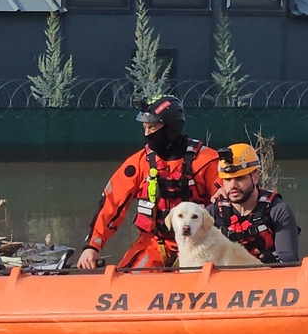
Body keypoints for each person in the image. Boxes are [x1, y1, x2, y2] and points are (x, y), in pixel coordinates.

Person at [76, 96, 221, 270]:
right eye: (144, 128)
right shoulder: (139, 163)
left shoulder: (206, 161)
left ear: (171, 128)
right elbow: (111, 205)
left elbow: (226, 206)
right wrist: (92, 246)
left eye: (152, 128)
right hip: (155, 244)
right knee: (126, 284)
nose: (147, 134)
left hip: (200, 243)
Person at [213, 143, 300, 264]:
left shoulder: (277, 210)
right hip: (226, 278)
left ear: (255, 177)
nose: (233, 185)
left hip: (267, 277)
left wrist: (274, 261)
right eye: (227, 180)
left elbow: (289, 258)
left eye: (240, 178)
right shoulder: (213, 213)